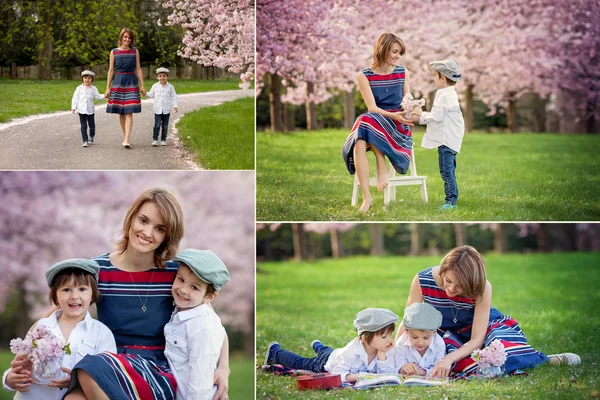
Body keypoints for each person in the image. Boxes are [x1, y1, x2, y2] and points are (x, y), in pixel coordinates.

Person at [7, 188, 231, 400]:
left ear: (167, 236)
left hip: (154, 370)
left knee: (89, 368)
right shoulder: (98, 269)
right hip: (106, 362)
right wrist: (25, 355)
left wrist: (223, 368)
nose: (147, 232)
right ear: (132, 218)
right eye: (143, 221)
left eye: (159, 228)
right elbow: (56, 313)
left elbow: (208, 322)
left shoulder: (176, 275)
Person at [394, 245, 581, 378]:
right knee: (446, 359)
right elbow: (410, 319)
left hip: (479, 327)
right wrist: (396, 352)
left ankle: (545, 360)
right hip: (445, 333)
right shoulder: (423, 280)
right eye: (448, 281)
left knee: (500, 353)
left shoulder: (483, 288)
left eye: (459, 287)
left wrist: (450, 359)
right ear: (443, 271)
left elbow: (477, 339)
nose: (450, 289)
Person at [3, 259, 116, 399]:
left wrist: (78, 382)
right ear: (55, 295)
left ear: (92, 293)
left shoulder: (101, 333)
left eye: (82, 289)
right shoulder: (41, 327)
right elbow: (19, 364)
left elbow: (106, 377)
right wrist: (9, 379)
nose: (74, 296)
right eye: (66, 290)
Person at [341, 32, 415, 213]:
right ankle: (367, 197)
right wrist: (392, 115)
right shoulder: (364, 75)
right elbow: (372, 108)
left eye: (400, 53)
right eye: (395, 52)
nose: (398, 56)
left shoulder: (403, 72)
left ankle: (381, 166)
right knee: (360, 141)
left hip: (398, 126)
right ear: (383, 50)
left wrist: (412, 110)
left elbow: (408, 101)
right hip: (375, 121)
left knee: (364, 122)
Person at [264, 308, 398, 384]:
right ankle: (275, 353)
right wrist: (356, 377)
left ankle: (319, 346)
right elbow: (336, 374)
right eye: (384, 337)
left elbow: (386, 375)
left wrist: (382, 356)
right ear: (365, 337)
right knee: (300, 362)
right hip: (326, 362)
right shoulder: (350, 352)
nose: (389, 340)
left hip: (335, 353)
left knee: (326, 350)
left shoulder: (384, 349)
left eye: (390, 335)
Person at [166, 249, 230, 400]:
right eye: (181, 279)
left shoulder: (201, 326)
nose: (182, 290)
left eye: (194, 287)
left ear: (209, 296)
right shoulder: (189, 311)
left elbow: (199, 382)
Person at [411, 60, 465, 210]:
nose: (433, 78)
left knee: (447, 173)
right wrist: (419, 118)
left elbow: (437, 116)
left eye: (435, 75)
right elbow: (439, 117)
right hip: (450, 139)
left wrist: (421, 113)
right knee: (449, 172)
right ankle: (452, 200)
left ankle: (451, 202)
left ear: (442, 78)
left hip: (446, 140)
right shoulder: (449, 94)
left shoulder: (444, 96)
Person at [105, 27, 146, 149]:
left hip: (131, 82)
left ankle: (127, 139)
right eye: (125, 37)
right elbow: (111, 70)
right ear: (121, 38)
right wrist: (108, 87)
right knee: (121, 113)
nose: (127, 39)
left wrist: (142, 85)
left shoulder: (135, 52)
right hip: (118, 82)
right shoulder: (114, 52)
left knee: (129, 112)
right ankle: (126, 137)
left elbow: (138, 69)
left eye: (129, 38)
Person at [395, 302, 445, 377]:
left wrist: (423, 372)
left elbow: (440, 368)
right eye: (415, 337)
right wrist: (403, 368)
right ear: (406, 331)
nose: (420, 342)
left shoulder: (439, 344)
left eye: (426, 338)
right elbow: (397, 367)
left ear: (434, 332)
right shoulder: (401, 344)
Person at [145, 67, 178, 147]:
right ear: (157, 77)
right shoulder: (155, 86)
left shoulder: (170, 87)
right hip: (157, 110)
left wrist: (175, 106)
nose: (162, 77)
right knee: (157, 125)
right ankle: (155, 139)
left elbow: (174, 97)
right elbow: (151, 94)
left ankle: (163, 139)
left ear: (167, 76)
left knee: (165, 126)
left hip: (166, 110)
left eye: (164, 76)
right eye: (160, 76)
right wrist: (145, 93)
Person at [71, 70, 105, 147]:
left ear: (92, 79)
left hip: (90, 111)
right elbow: (75, 98)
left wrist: (105, 95)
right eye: (85, 78)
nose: (87, 80)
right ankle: (85, 140)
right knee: (83, 126)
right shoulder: (79, 88)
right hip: (81, 110)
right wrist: (74, 107)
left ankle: (91, 136)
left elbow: (98, 96)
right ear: (82, 79)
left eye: (89, 78)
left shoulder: (93, 89)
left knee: (92, 126)